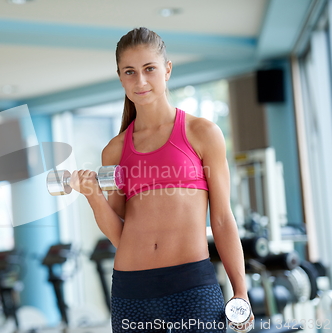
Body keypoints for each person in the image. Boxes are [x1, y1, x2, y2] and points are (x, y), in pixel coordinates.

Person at [69, 27, 254, 333]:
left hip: (192, 286)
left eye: (149, 69)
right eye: (130, 72)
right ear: (120, 77)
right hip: (132, 289)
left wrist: (240, 291)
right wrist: (93, 196)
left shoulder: (202, 134)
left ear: (167, 70)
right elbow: (120, 235)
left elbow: (221, 220)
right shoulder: (114, 150)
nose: (140, 81)